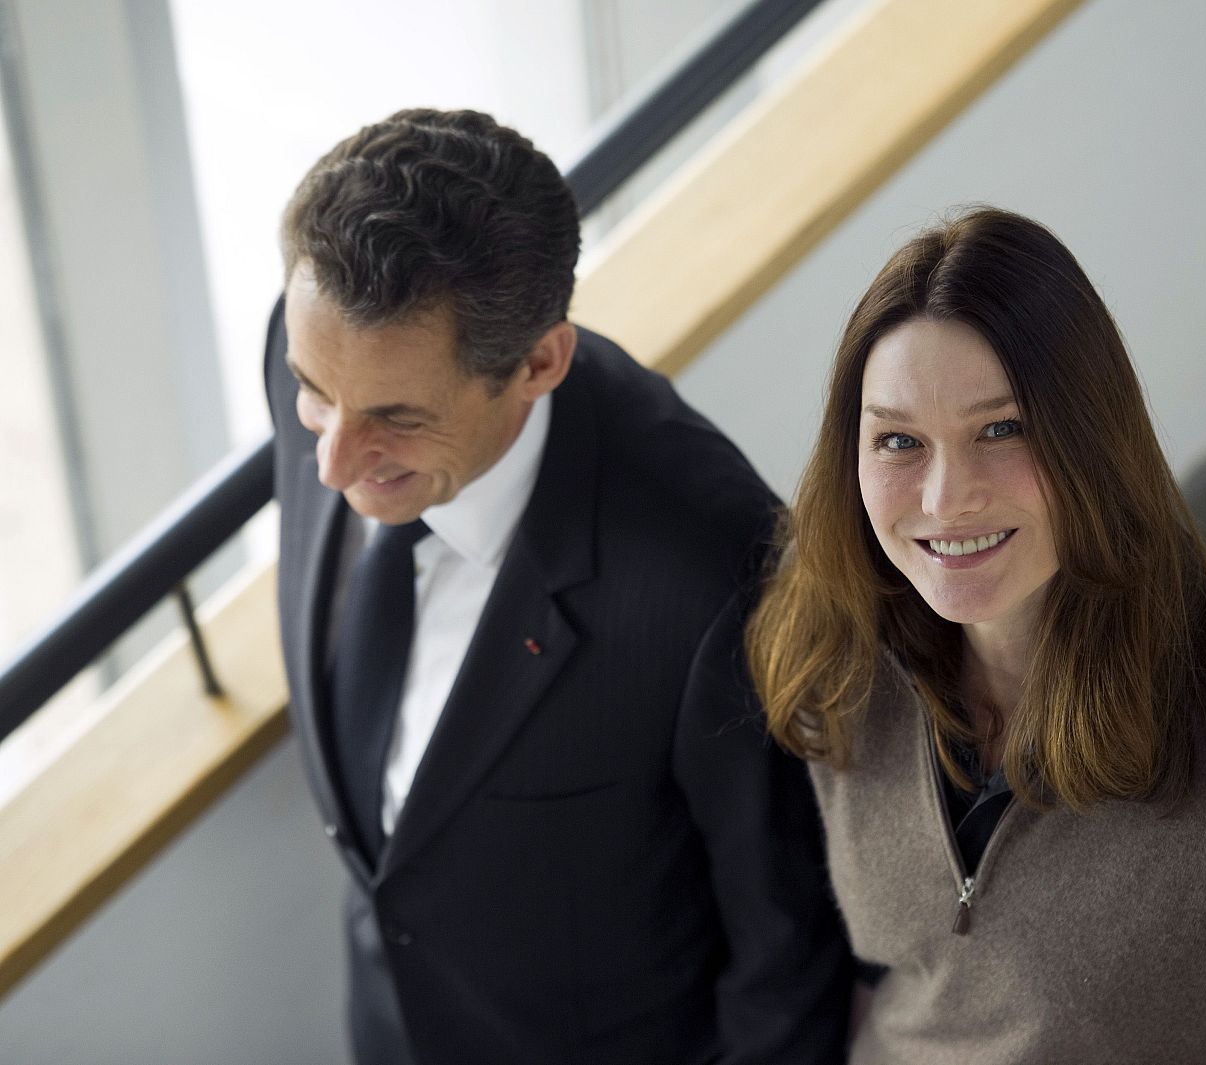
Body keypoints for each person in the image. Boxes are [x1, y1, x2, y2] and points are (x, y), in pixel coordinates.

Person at [747, 206, 1206, 1063]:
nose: (943, 499)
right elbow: (893, 973)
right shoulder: (842, 642)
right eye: (899, 440)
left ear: (1096, 439)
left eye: (1000, 429)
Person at [264, 108, 850, 1065]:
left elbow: (787, 956)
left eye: (394, 418)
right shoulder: (322, 343)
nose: (330, 461)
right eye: (312, 396)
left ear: (539, 362)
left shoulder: (708, 578)